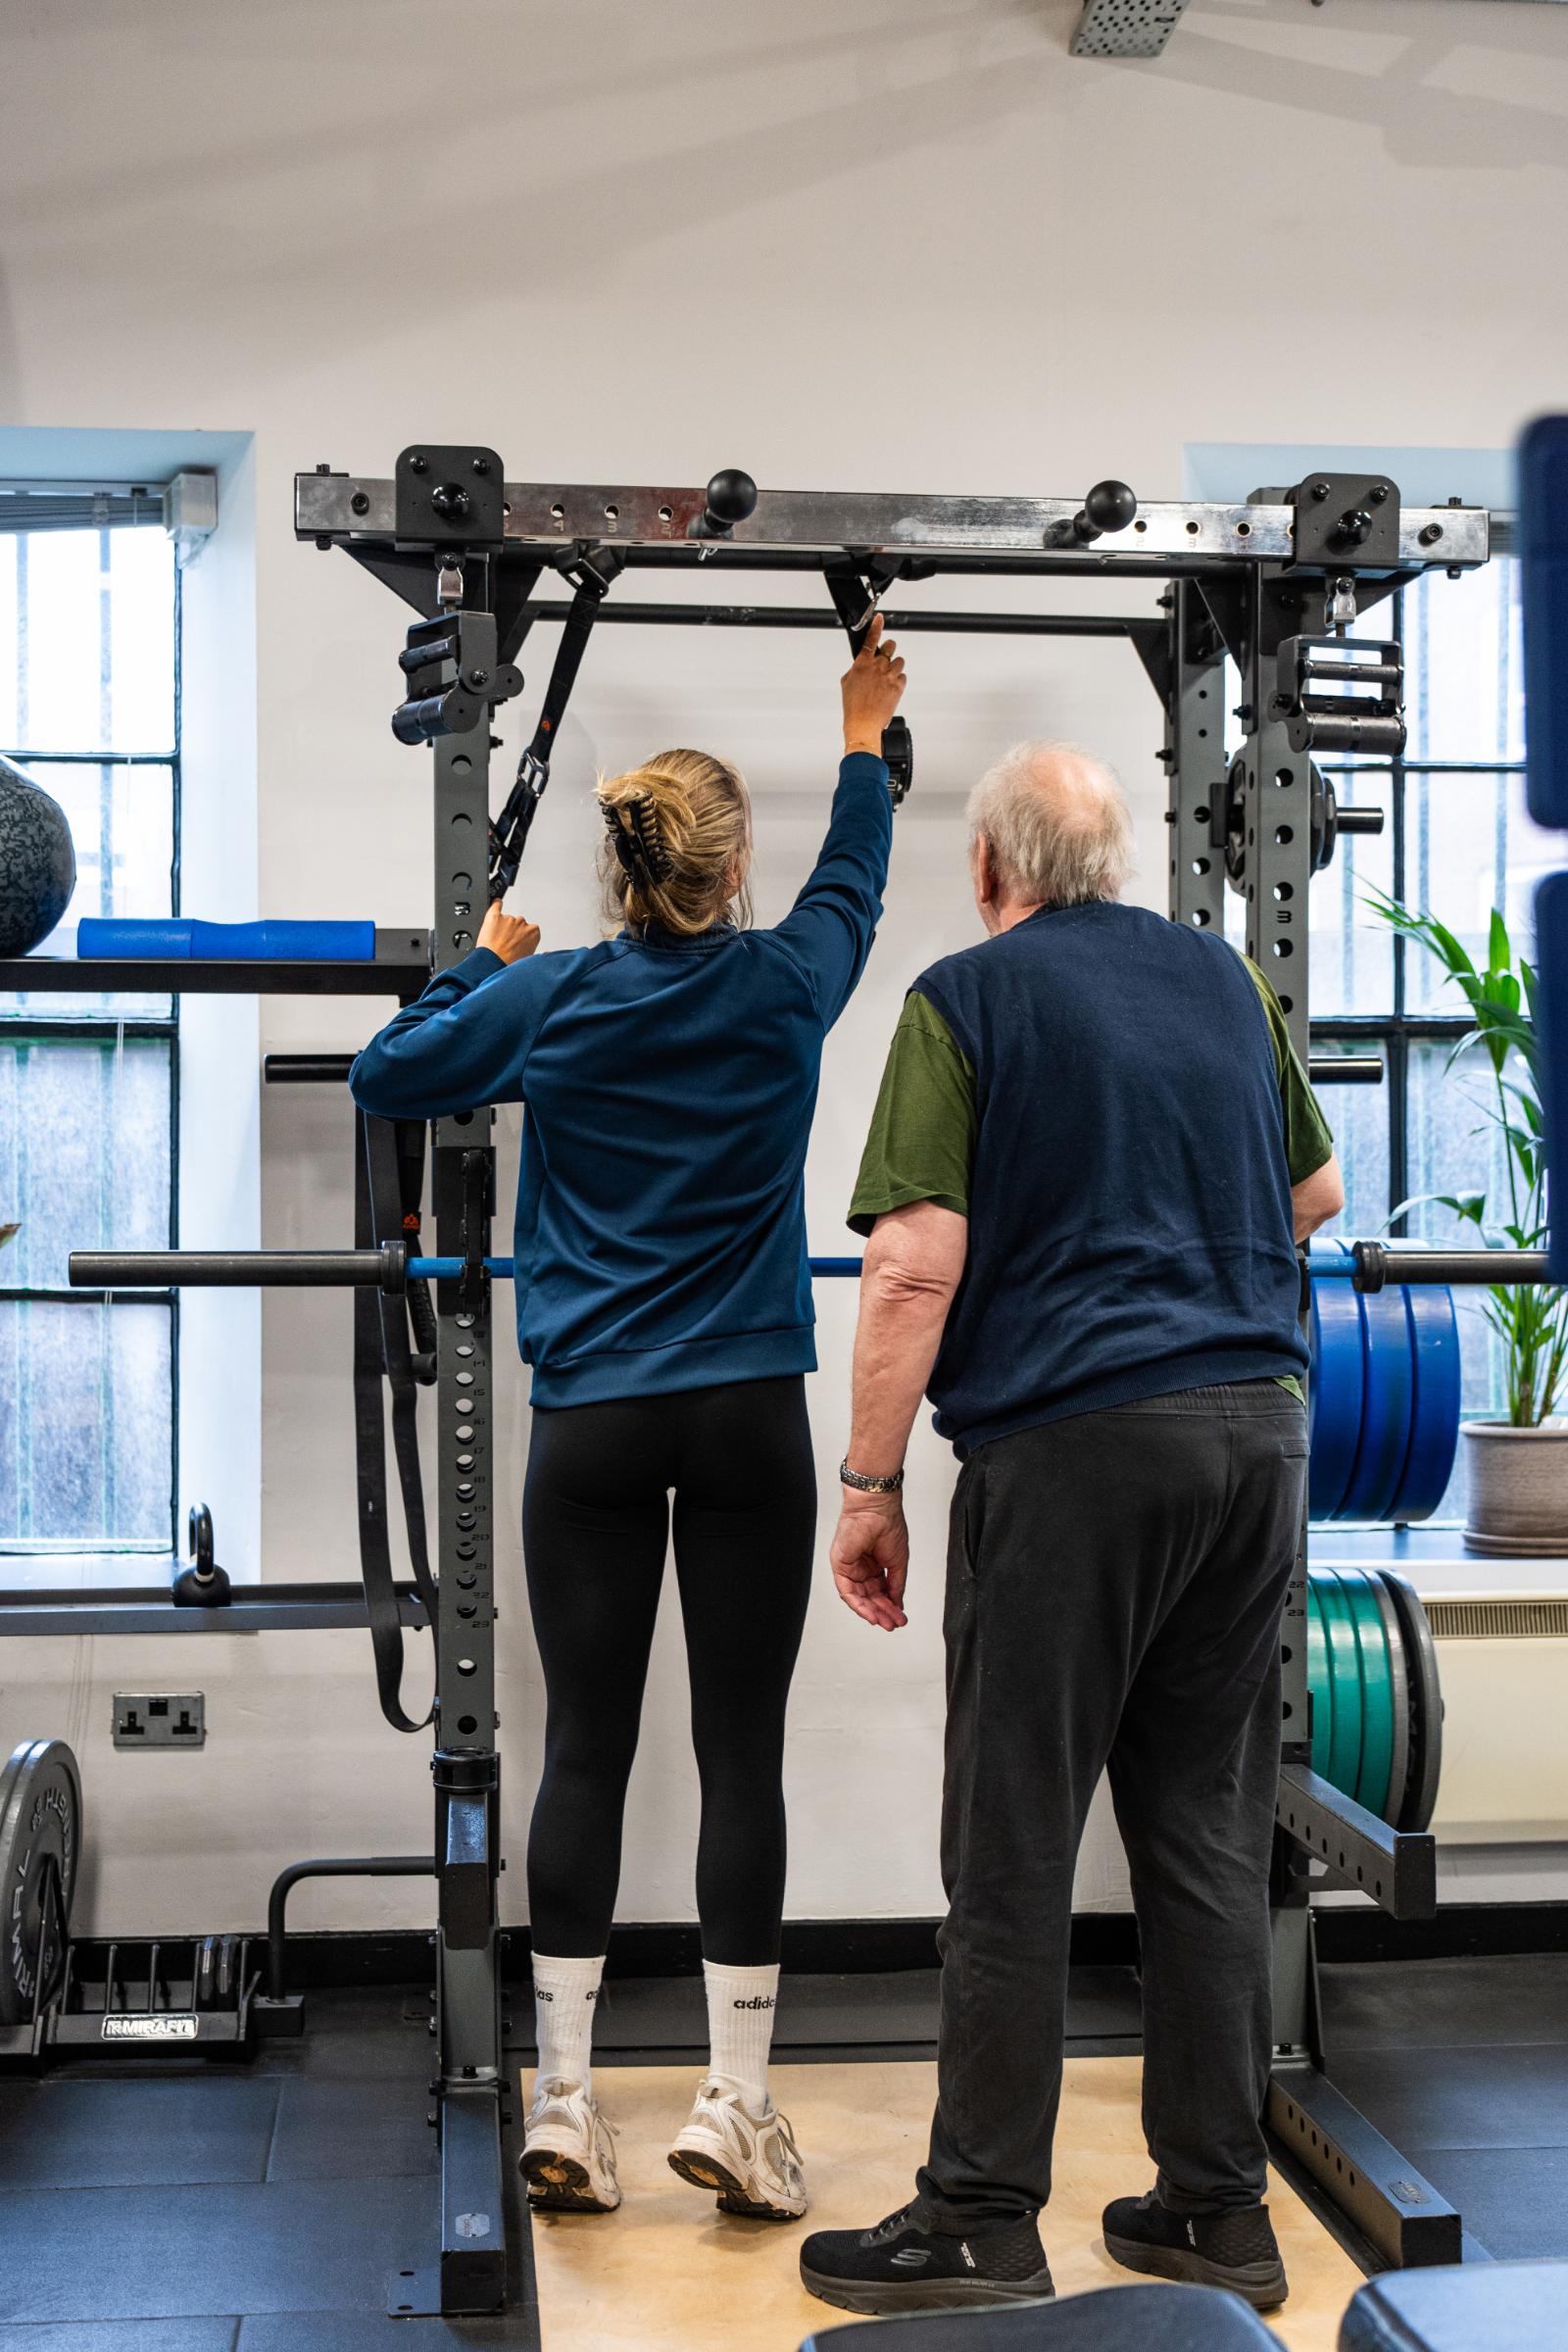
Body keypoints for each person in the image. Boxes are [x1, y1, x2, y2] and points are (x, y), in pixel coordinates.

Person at [351, 621, 907, 2226]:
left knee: (585, 1749)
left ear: (618, 871)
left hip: (592, 1423)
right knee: (741, 1755)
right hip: (745, 1421)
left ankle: (570, 2104)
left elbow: (387, 1076)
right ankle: (735, 2107)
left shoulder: (556, 998)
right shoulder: (789, 982)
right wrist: (863, 732)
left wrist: (484, 962)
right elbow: (855, 877)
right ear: (730, 875)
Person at [798, 740, 1344, 2318]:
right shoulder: (1227, 982)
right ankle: (1216, 2210)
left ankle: (980, 2215)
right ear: (1115, 865)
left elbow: (912, 1266)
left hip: (1078, 1453)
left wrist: (870, 1485)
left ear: (990, 870)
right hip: (1258, 1440)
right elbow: (1312, 1198)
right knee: (1206, 1833)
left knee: (1015, 1836)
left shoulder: (965, 1001)